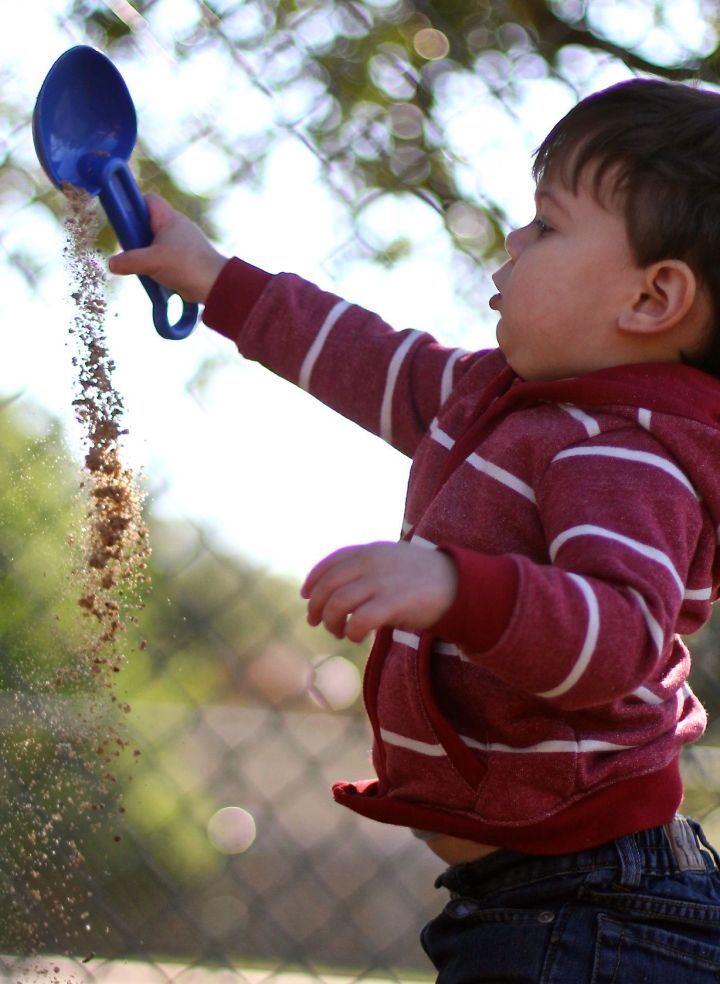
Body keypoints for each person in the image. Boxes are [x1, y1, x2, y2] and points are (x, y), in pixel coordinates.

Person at [108, 77, 720, 981]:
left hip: (595, 914)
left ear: (652, 297)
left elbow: (618, 637)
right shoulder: (498, 402)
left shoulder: (625, 455)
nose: (512, 242)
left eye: (546, 227)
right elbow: (364, 357)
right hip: (538, 900)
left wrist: (452, 588)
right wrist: (210, 277)